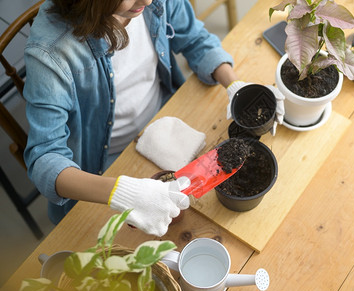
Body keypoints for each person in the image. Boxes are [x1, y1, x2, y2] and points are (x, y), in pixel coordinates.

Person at [23, 0, 283, 236]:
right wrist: (121, 192)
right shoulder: (51, 54)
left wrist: (235, 87)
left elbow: (194, 40)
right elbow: (44, 159)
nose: (147, 1)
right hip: (104, 169)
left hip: (164, 120)